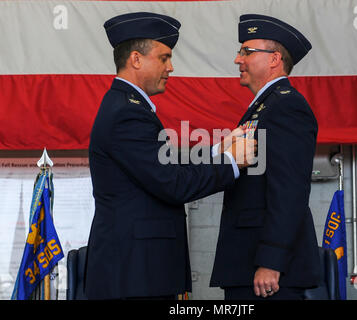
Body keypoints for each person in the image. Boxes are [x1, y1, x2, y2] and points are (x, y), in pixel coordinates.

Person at [84, 12, 256, 300]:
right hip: (134, 274)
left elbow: (162, 164)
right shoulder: (127, 113)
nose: (171, 67)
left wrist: (218, 151)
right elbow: (172, 183)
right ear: (136, 59)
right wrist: (231, 163)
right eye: (163, 58)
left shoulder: (128, 107)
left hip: (138, 271)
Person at [210, 14, 321, 300]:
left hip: (268, 270)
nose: (238, 59)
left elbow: (290, 189)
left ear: (274, 59)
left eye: (247, 51)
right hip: (247, 260)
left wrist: (272, 260)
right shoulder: (265, 106)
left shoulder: (286, 106)